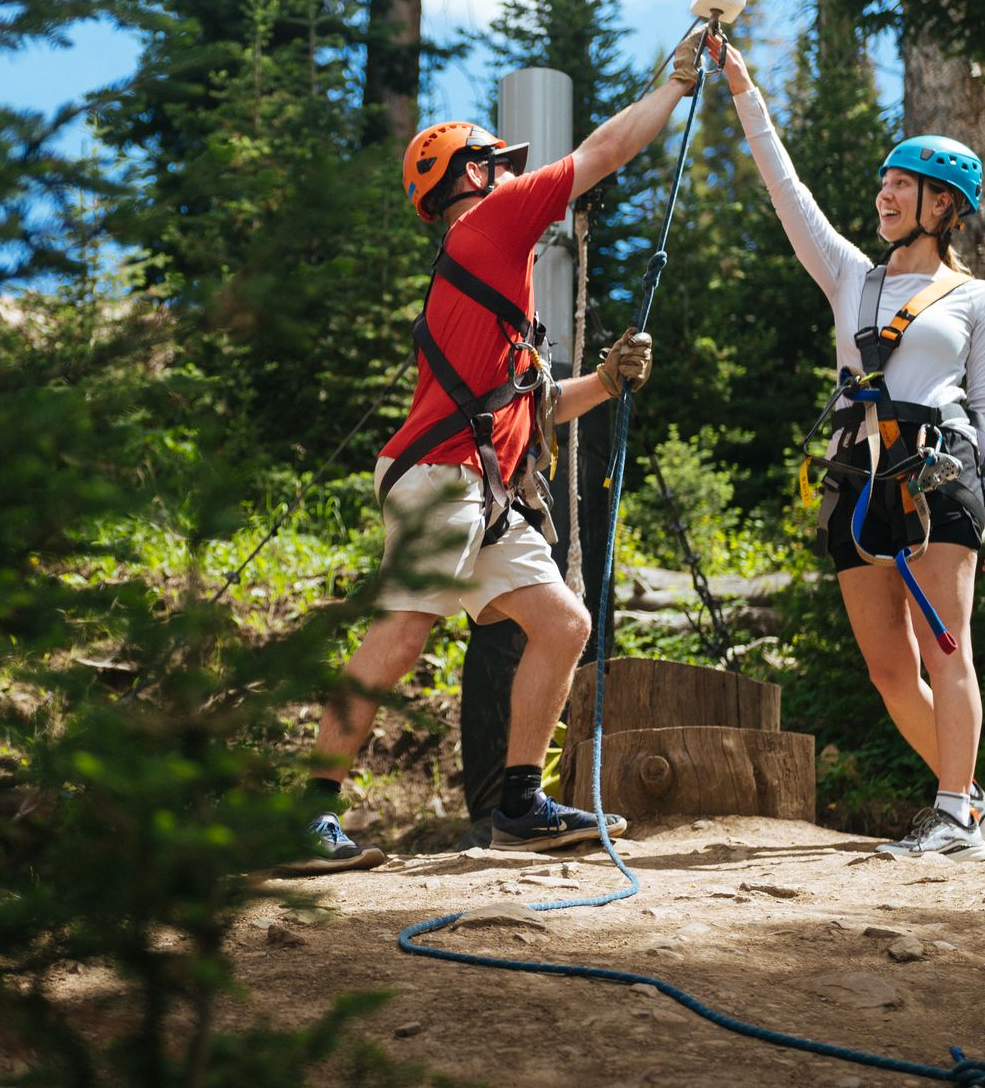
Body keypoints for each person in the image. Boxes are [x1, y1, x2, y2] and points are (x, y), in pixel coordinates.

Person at [293, 44, 704, 873]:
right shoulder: (488, 225)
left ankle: (518, 802)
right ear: (468, 177)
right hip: (441, 476)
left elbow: (538, 407)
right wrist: (675, 85)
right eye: (493, 164)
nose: (507, 175)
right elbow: (603, 153)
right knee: (405, 631)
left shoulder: (492, 290)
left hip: (479, 488)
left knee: (563, 624)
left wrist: (607, 377)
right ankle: (304, 815)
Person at [716, 35, 985, 863]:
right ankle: (971, 801)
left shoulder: (976, 297)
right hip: (854, 479)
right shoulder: (854, 277)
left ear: (943, 205)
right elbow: (786, 188)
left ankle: (952, 814)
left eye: (901, 186)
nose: (883, 196)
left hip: (935, 474)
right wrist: (745, 89)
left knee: (945, 644)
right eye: (883, 183)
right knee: (889, 672)